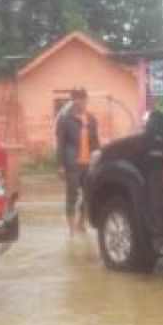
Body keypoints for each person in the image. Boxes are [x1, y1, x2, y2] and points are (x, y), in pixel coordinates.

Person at [55, 87, 100, 235]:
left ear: (86, 99)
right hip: (72, 164)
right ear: (72, 100)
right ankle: (72, 229)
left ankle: (81, 222)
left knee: (89, 194)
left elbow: (96, 142)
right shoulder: (65, 119)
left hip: (89, 164)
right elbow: (60, 143)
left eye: (82, 98)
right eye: (76, 98)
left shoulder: (92, 119)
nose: (79, 101)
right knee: (72, 194)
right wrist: (60, 165)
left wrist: (99, 159)